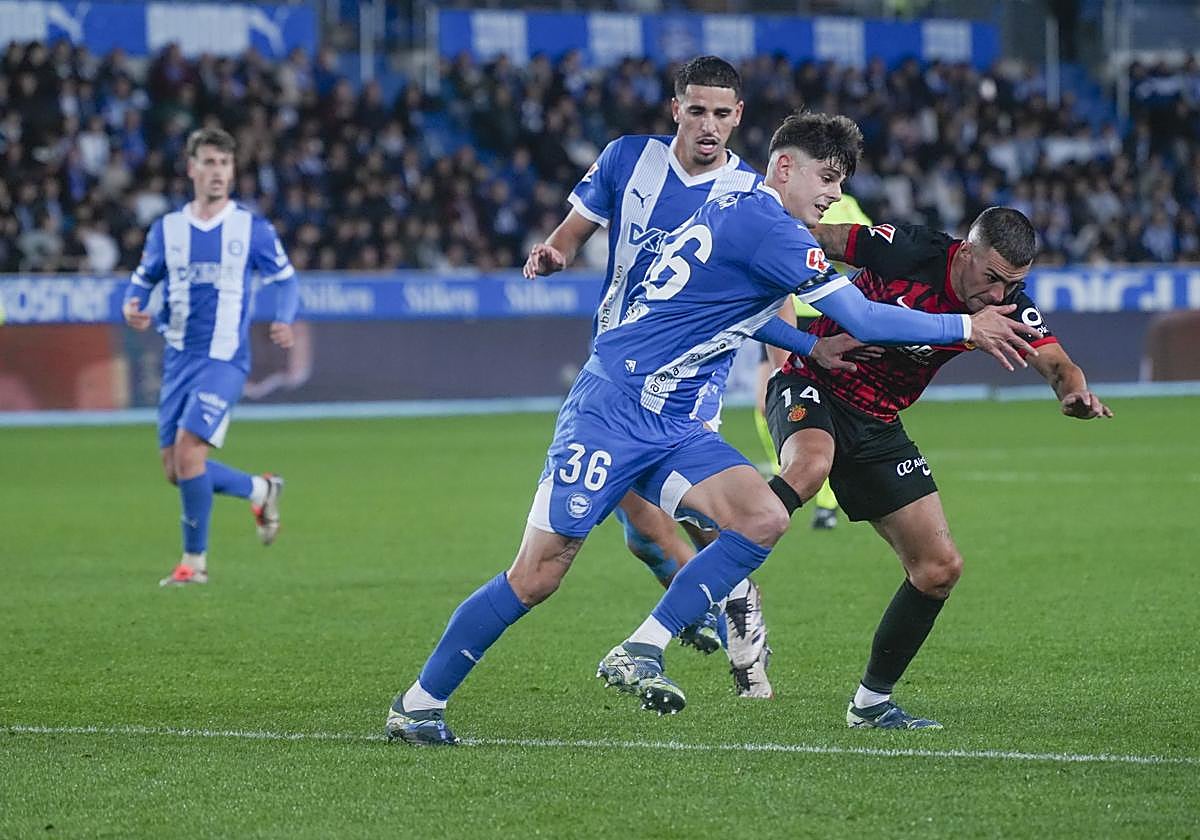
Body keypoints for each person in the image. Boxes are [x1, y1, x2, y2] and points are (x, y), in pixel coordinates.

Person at [387, 112, 1041, 744]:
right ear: (785, 166)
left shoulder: (740, 203)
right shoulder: (775, 230)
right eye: (828, 179)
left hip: (672, 417)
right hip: (613, 408)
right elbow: (865, 318)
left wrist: (806, 347)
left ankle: (642, 647)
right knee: (536, 576)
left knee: (762, 515)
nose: (836, 196)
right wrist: (965, 326)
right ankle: (418, 705)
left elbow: (728, 305)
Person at [764, 207, 1112, 729]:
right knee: (811, 464)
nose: (998, 296)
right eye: (991, 277)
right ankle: (723, 560)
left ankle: (871, 704)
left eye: (1012, 285)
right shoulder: (907, 250)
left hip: (877, 421)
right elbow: (809, 237)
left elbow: (1059, 364)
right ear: (965, 251)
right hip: (813, 377)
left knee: (938, 570)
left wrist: (1075, 393)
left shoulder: (1007, 304)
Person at [523, 55, 773, 698]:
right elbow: (575, 230)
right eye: (697, 110)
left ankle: (737, 631)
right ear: (677, 110)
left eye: (722, 112)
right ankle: (698, 604)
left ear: (738, 116)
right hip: (618, 367)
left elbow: (780, 281)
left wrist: (782, 354)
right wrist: (556, 251)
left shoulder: (749, 195)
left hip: (691, 385)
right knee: (641, 531)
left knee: (714, 519)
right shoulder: (626, 160)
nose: (709, 123)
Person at [122, 127, 299, 586]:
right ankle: (261, 490)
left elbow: (286, 279)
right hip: (178, 360)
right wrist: (132, 303)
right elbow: (144, 278)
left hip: (224, 360)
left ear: (233, 170)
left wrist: (284, 317)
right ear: (192, 168)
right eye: (209, 162)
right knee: (176, 470)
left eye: (225, 163)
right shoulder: (169, 229)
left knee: (188, 453)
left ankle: (193, 564)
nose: (217, 172)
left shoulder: (251, 228)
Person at [752, 193, 874, 531]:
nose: (828, 187)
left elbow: (866, 253)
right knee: (765, 402)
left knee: (829, 408)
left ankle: (825, 503)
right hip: (785, 314)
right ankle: (788, 467)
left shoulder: (847, 205)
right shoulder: (782, 204)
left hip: (827, 317)